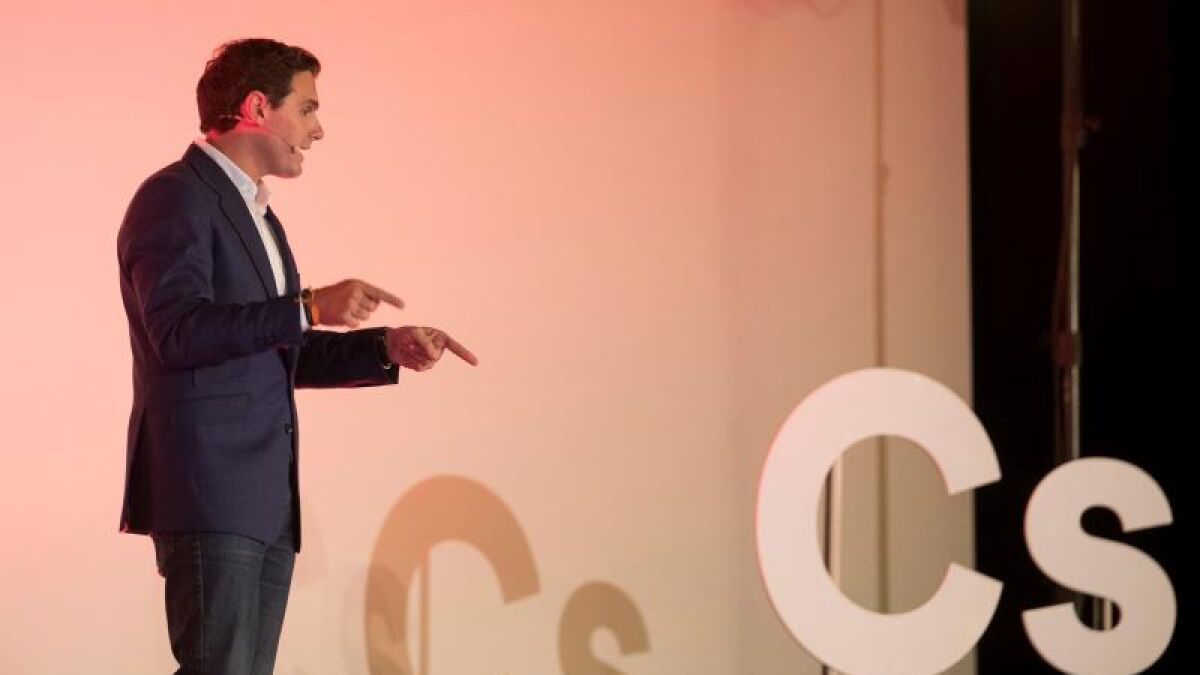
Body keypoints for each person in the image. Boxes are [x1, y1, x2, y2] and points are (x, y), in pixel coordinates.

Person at [116, 38, 477, 674]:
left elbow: (278, 351)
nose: (318, 130)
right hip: (209, 486)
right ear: (258, 107)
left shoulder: (260, 217)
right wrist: (307, 305)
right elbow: (177, 332)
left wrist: (383, 347)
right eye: (307, 109)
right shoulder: (175, 197)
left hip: (263, 496)